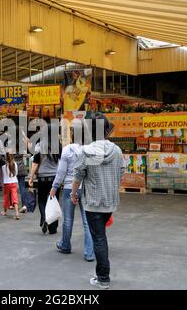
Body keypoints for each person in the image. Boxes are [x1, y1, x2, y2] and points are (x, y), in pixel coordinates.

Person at [71, 113, 125, 289]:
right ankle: (102, 274)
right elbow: (122, 173)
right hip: (110, 201)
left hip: (93, 202)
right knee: (101, 236)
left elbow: (78, 175)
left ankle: (103, 277)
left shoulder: (87, 150)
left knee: (99, 238)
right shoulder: (116, 150)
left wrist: (73, 193)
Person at [50, 126, 94, 262]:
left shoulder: (67, 150)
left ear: (73, 135)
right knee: (87, 222)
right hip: (85, 188)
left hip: (70, 187)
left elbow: (61, 172)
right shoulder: (90, 150)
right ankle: (89, 253)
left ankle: (65, 245)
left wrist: (55, 187)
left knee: (68, 220)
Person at [28, 125, 61, 235]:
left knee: (42, 200)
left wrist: (31, 178)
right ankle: (53, 228)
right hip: (55, 178)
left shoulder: (40, 145)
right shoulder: (58, 146)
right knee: (54, 201)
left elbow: (35, 163)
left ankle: (44, 217)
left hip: (42, 177)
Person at [1, 152, 20, 220]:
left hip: (6, 183)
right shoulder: (15, 164)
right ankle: (17, 213)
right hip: (14, 182)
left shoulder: (3, 165)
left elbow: (2, 174)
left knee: (6, 198)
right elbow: (16, 173)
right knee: (14, 197)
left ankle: (4, 211)